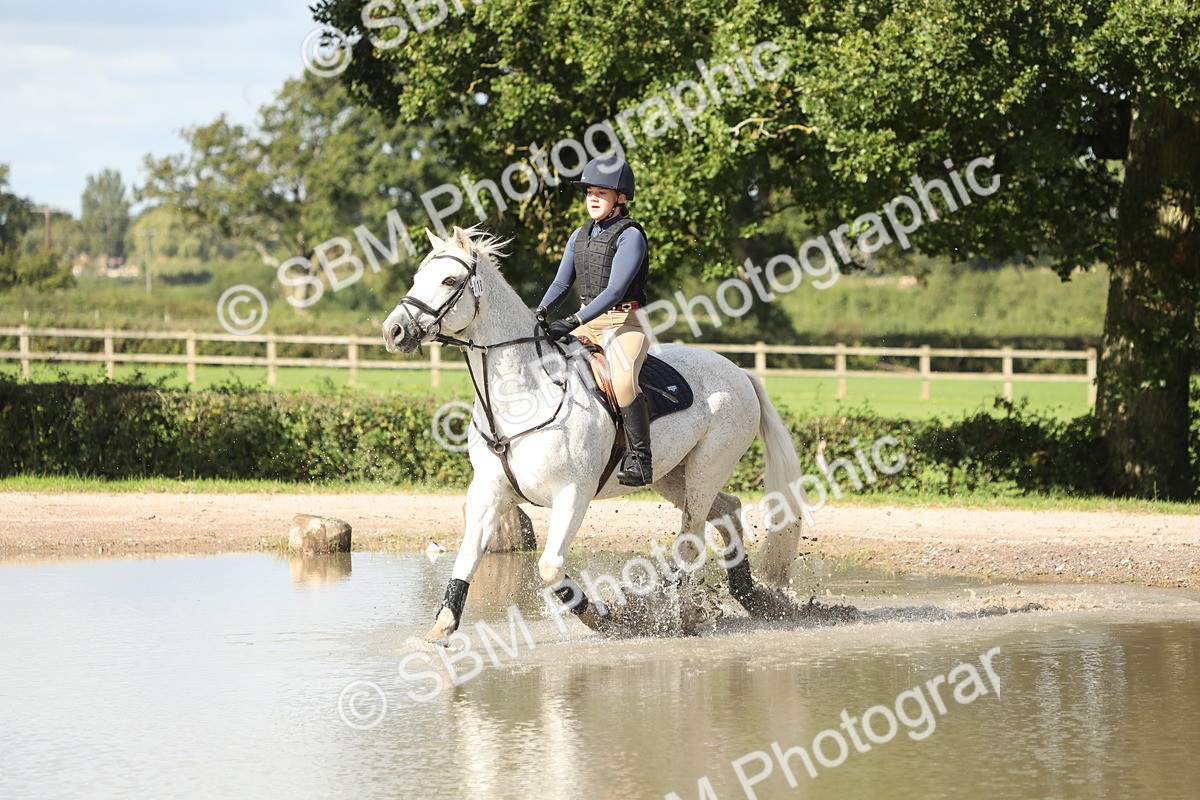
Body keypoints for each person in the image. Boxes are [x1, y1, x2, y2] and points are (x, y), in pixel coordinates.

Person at [536, 155, 654, 487]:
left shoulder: (631, 236)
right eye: (589, 192)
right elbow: (561, 284)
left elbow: (616, 290)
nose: (592, 198)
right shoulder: (580, 235)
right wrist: (542, 312)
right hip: (588, 321)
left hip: (625, 322)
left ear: (621, 198)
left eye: (601, 193)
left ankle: (640, 460)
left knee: (622, 381)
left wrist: (572, 320)